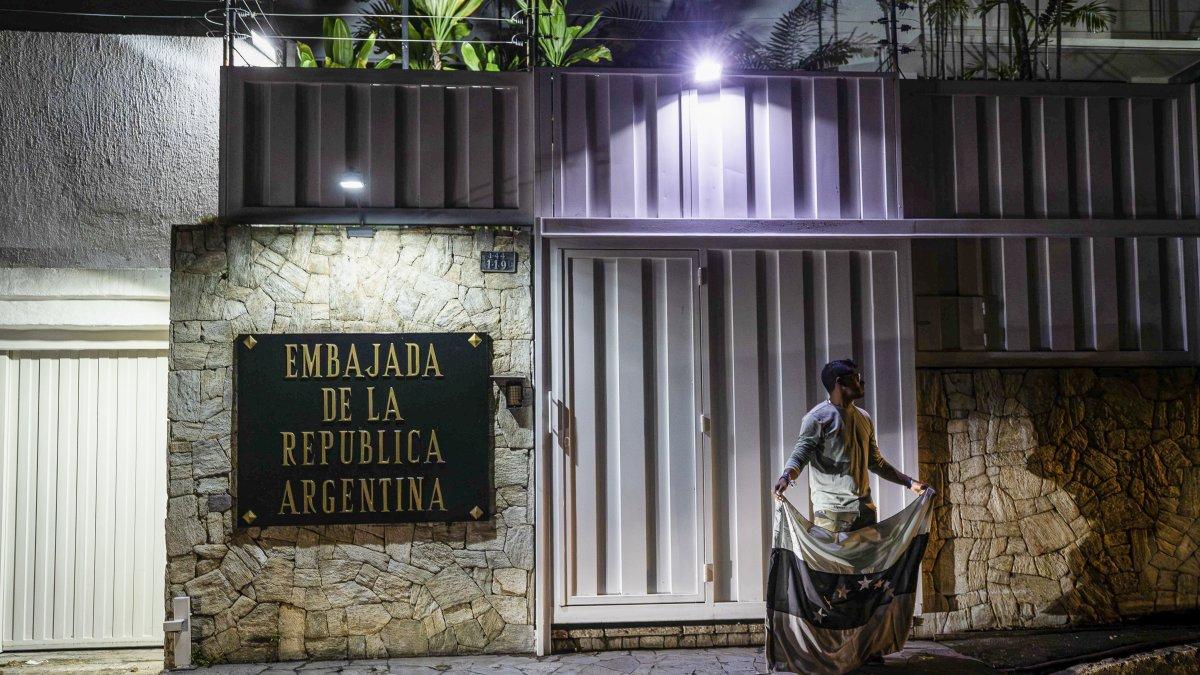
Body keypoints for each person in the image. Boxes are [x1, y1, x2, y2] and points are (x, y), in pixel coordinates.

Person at [773, 359, 928, 534]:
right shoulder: (817, 418)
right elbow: (800, 454)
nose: (861, 382)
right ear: (840, 382)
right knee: (837, 562)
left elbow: (876, 462)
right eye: (856, 377)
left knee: (870, 562)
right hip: (833, 514)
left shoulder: (864, 417)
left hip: (865, 511)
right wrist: (785, 477)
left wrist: (910, 483)